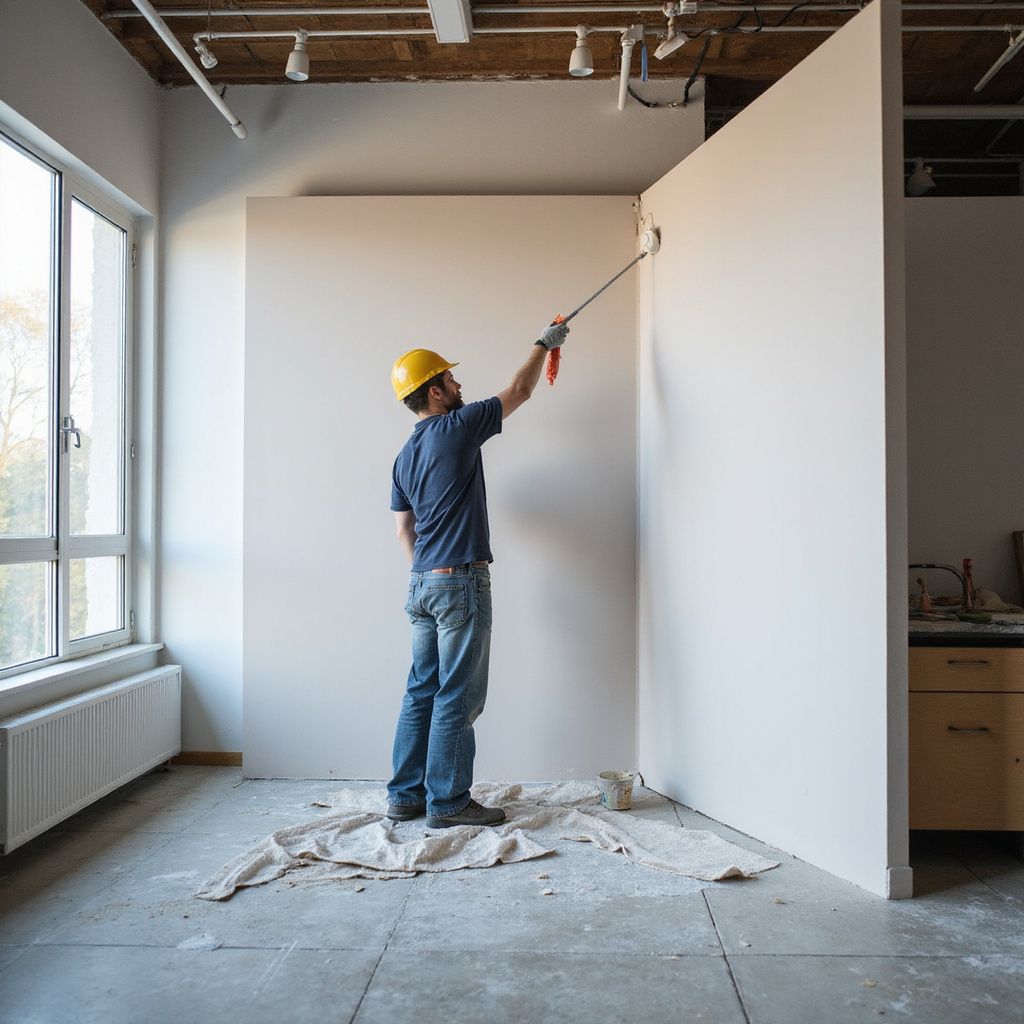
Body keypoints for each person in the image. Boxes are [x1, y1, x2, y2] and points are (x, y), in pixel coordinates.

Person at [386, 323, 570, 828]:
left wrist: (427, 572)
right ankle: (446, 803)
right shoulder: (459, 426)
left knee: (421, 688)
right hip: (459, 583)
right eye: (450, 378)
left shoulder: (404, 456)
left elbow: (405, 529)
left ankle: (405, 797)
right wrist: (543, 343)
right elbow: (520, 391)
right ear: (434, 390)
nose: (459, 387)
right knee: (456, 694)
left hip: (422, 584)